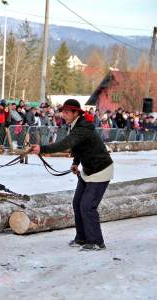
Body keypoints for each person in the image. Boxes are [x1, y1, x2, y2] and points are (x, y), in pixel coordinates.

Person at [29, 99, 113, 251]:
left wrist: (42, 148)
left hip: (100, 169)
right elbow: (80, 147)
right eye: (63, 111)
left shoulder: (82, 128)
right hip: (89, 169)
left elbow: (65, 143)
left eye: (68, 112)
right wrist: (76, 162)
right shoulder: (76, 126)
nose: (64, 114)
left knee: (87, 205)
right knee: (77, 203)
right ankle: (82, 238)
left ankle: (96, 242)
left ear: (76, 113)